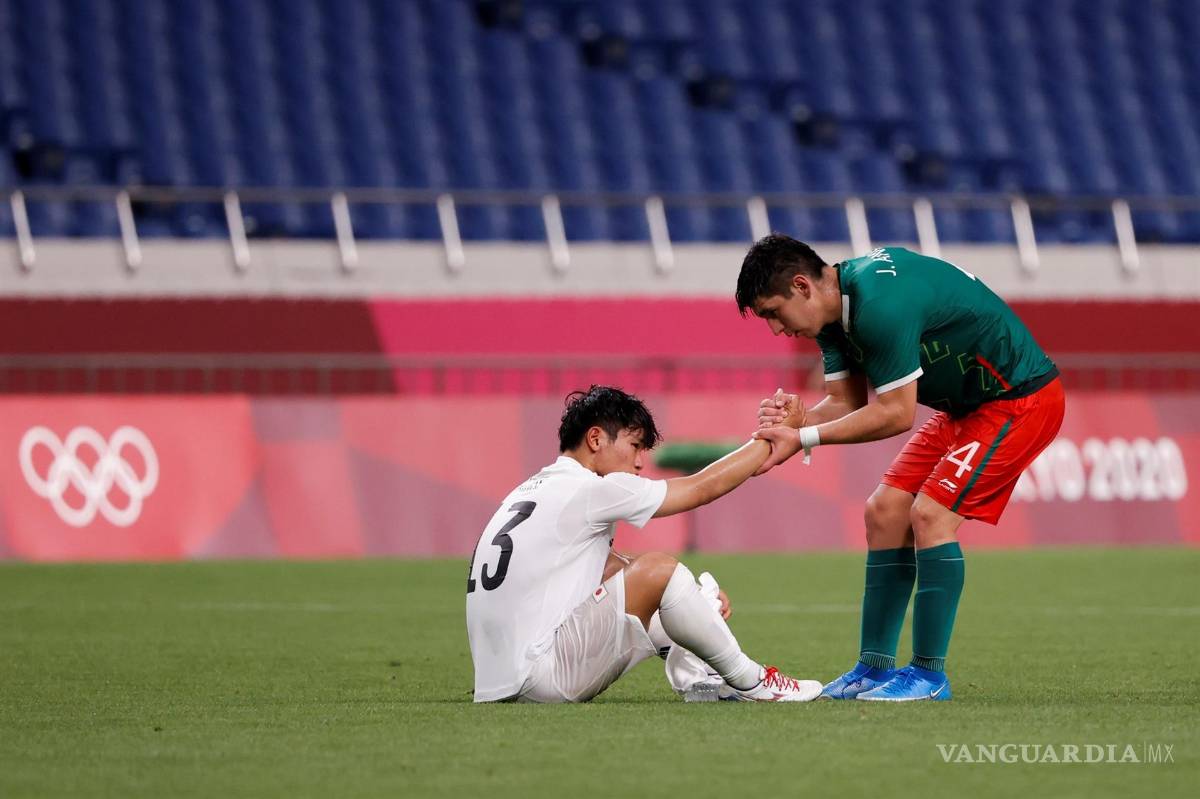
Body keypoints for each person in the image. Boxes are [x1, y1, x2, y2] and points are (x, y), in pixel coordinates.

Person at [737, 236, 1065, 702]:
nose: (775, 329)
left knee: (931, 515)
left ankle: (930, 676)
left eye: (773, 312)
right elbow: (846, 403)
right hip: (966, 409)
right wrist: (801, 419)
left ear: (802, 285)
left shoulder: (879, 302)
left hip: (1020, 400)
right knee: (885, 510)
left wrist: (804, 438)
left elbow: (895, 414)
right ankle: (872, 668)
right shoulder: (834, 315)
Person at [466, 385, 822, 703]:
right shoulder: (593, 488)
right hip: (542, 677)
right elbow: (701, 487)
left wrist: (692, 601)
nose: (639, 463)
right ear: (595, 439)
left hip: (499, 683)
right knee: (660, 570)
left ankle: (704, 678)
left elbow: (601, 566)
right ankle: (752, 682)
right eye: (634, 446)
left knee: (671, 594)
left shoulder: (535, 489)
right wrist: (772, 439)